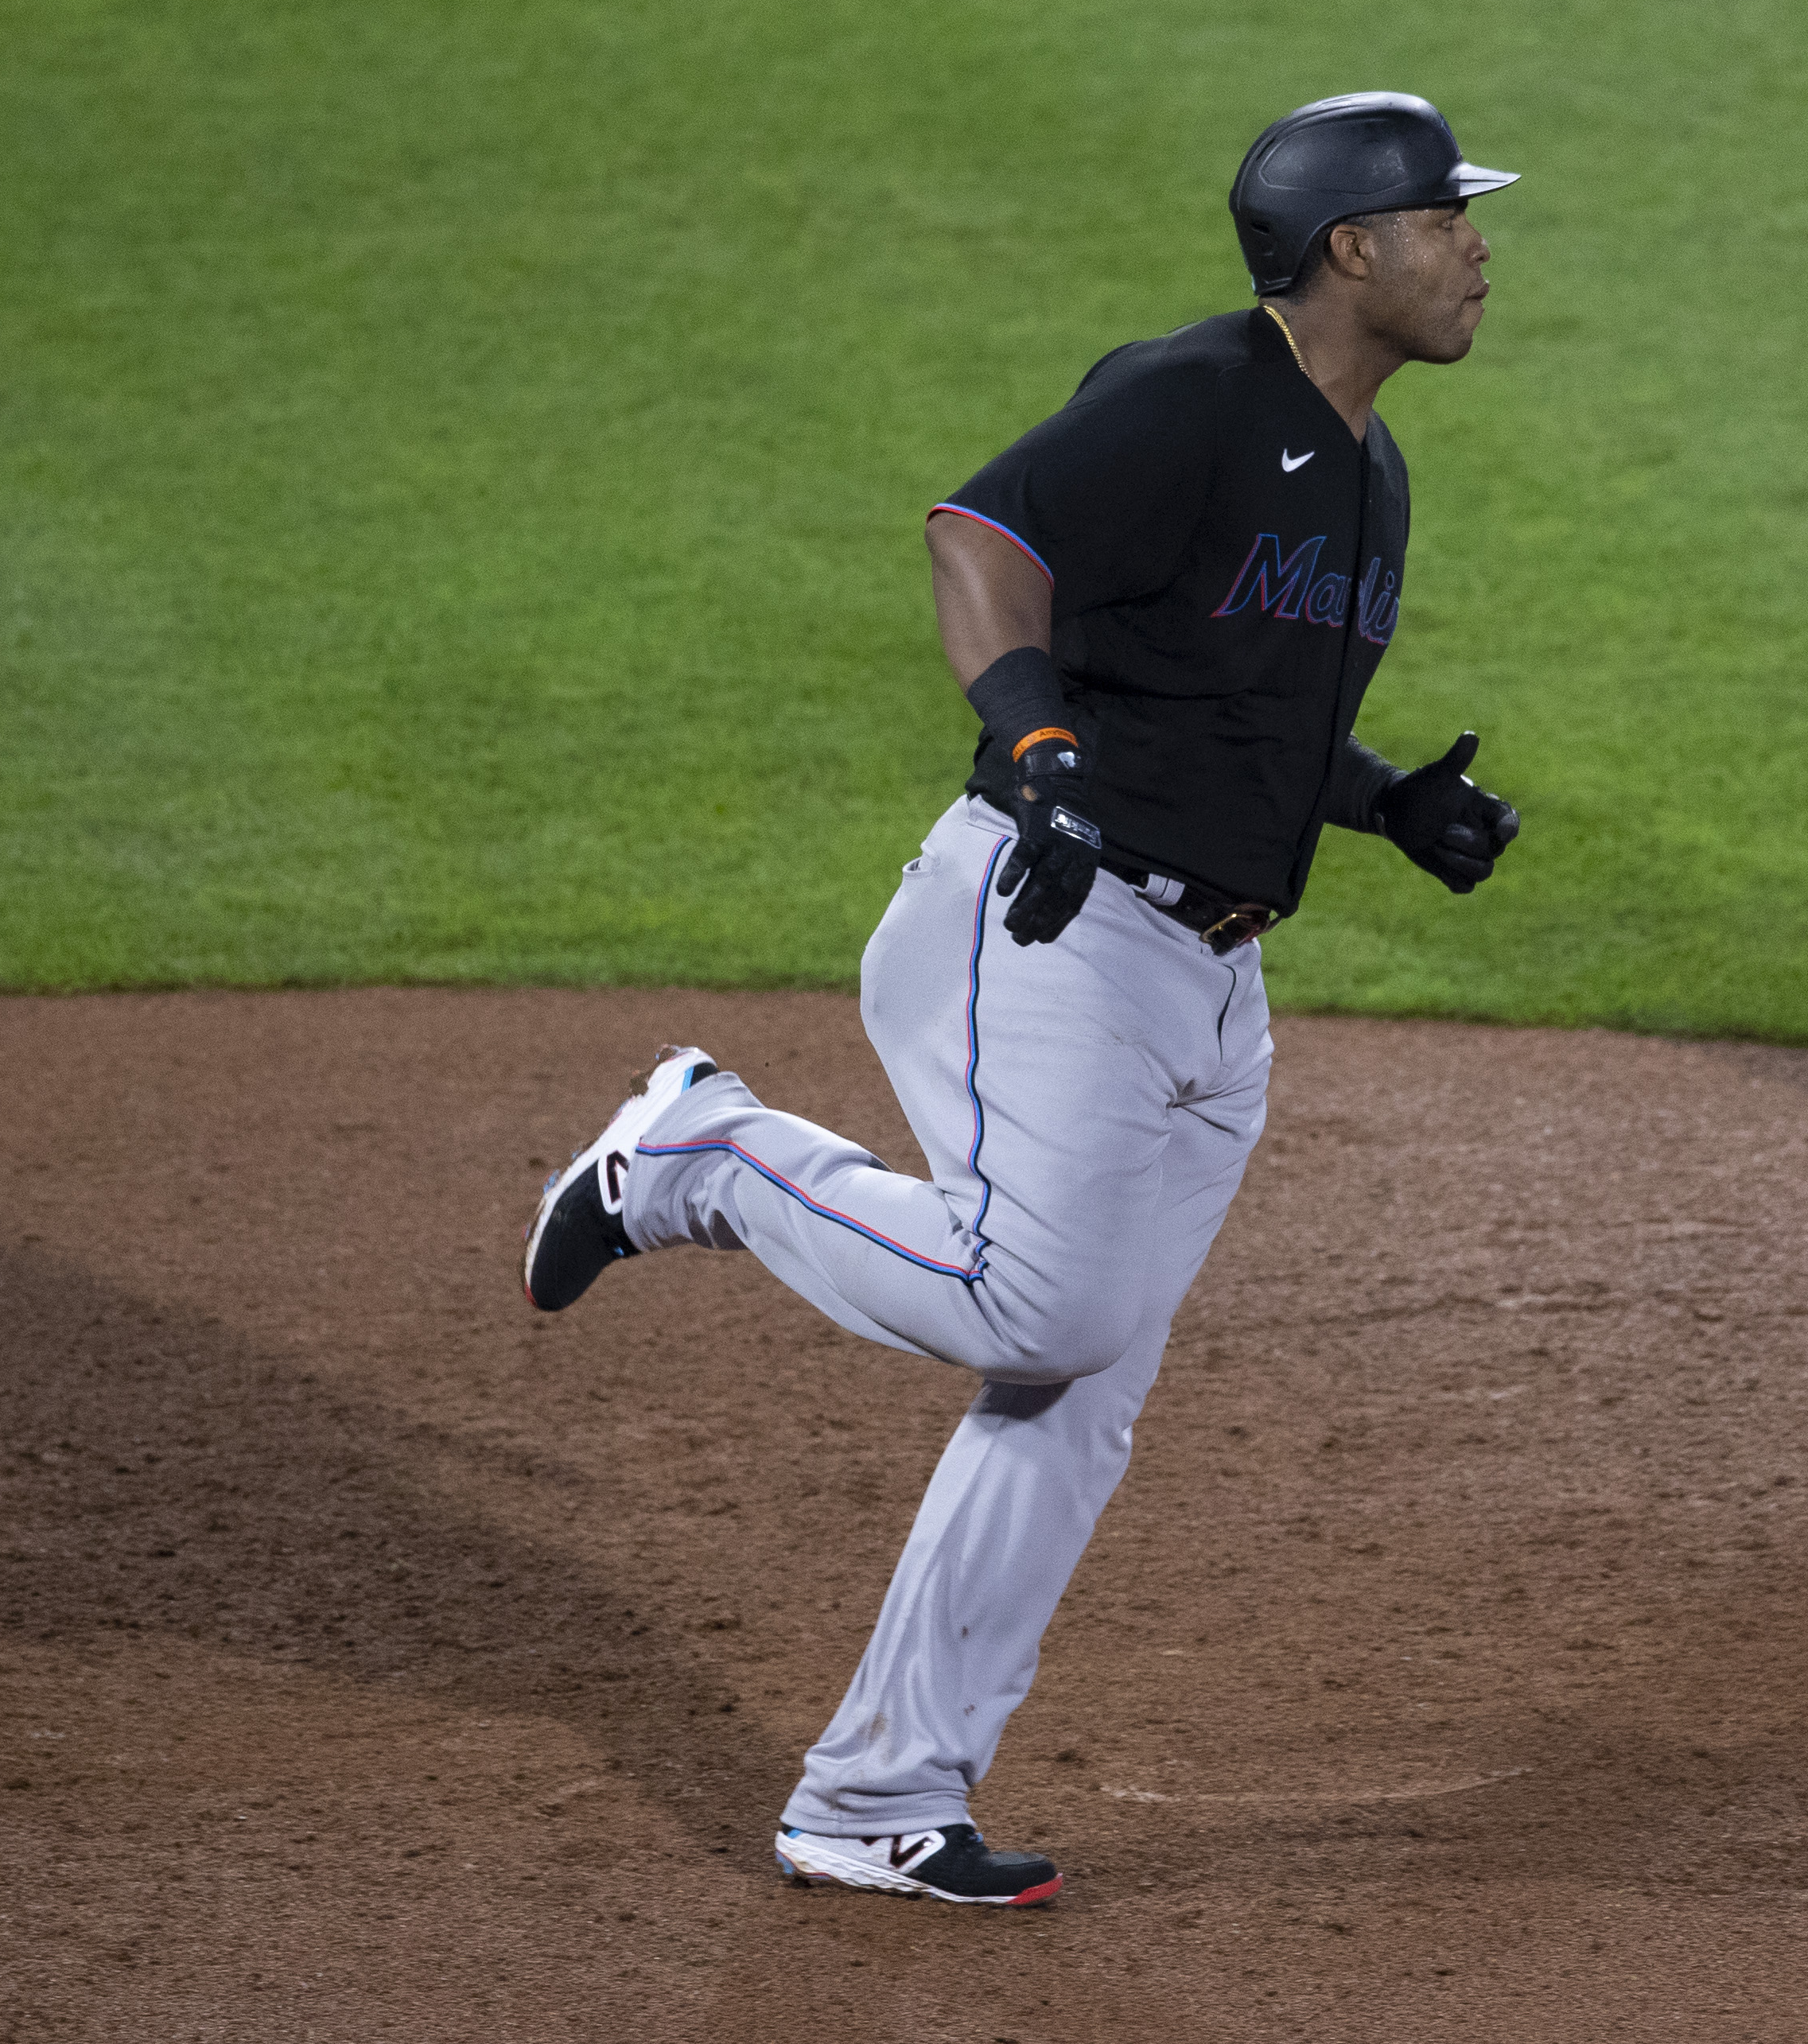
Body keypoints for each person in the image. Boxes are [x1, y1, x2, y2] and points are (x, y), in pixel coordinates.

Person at [518, 91, 1528, 1900]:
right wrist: (1038, 748)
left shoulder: (1367, 466)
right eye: (1445, 216)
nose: (1477, 245)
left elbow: (1229, 710)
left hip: (1213, 992)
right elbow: (978, 539)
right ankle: (703, 1148)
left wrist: (1387, 803)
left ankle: (873, 1796)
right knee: (1033, 1305)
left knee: (1073, 1399)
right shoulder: (1195, 394)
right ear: (1348, 247)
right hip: (1047, 921)